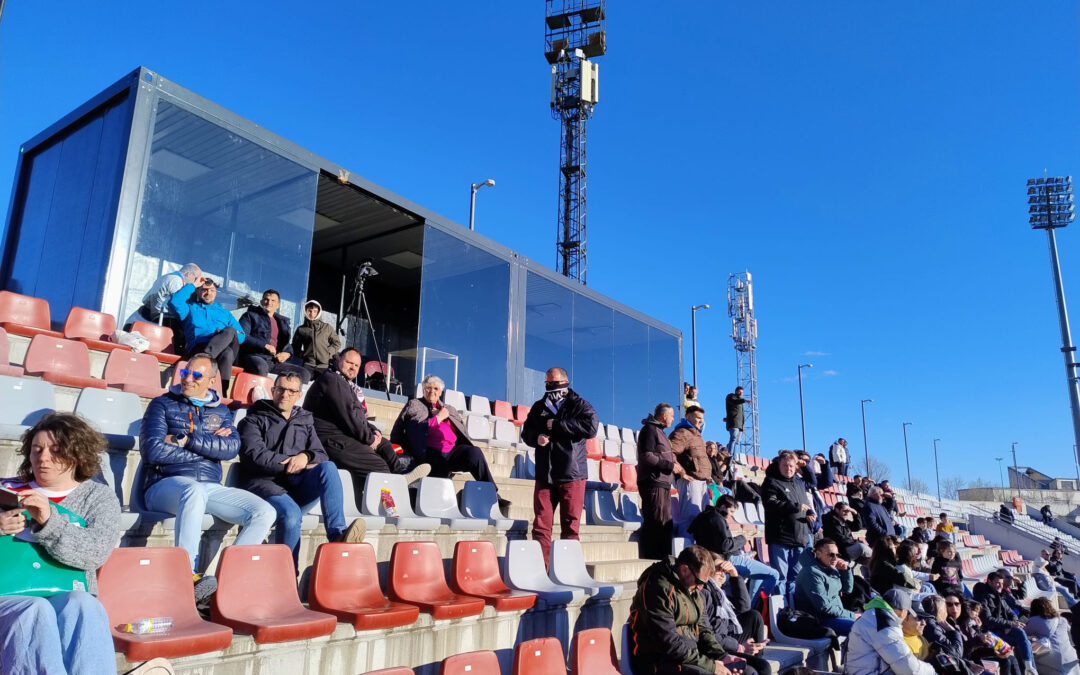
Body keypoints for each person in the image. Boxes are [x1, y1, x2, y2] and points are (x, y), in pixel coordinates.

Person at [140, 353, 276, 598]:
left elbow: (232, 448)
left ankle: (224, 584)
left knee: (265, 512)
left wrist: (185, 440)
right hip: (165, 485)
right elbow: (153, 450)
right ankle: (185, 575)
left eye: (196, 375)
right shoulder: (162, 404)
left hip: (208, 486)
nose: (188, 379)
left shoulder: (222, 412)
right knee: (194, 490)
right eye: (185, 373)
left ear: (212, 380)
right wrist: (208, 450)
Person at [0, 413, 121, 674]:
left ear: (77, 454)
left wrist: (48, 522)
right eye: (36, 449)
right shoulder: (5, 489)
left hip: (63, 594)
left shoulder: (98, 498)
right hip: (8, 598)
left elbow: (94, 554)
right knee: (35, 609)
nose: (43, 458)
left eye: (56, 450)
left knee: (85, 604)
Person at [237, 371, 361, 572]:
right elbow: (255, 456)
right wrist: (290, 463)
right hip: (265, 484)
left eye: (291, 391)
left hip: (295, 484)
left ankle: (337, 534)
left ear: (299, 395)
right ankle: (287, 577)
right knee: (292, 513)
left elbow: (321, 454)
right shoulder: (254, 419)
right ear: (273, 390)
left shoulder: (304, 420)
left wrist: (305, 457)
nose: (285, 395)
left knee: (328, 468)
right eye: (281, 389)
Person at [304, 348, 428, 509]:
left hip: (342, 435)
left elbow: (358, 417)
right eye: (349, 362)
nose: (352, 368)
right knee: (379, 466)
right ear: (338, 359)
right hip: (329, 440)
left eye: (356, 365)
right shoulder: (332, 379)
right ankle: (389, 506)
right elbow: (349, 416)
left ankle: (399, 475)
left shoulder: (343, 383)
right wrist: (369, 439)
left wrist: (373, 432)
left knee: (384, 444)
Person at [520, 367, 599, 567]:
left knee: (570, 526)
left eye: (554, 382)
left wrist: (558, 425)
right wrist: (536, 438)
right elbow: (526, 432)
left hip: (571, 473)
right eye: (547, 383)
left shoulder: (578, 403)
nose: (550, 386)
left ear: (565, 381)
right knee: (540, 525)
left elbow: (591, 427)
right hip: (545, 474)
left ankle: (568, 569)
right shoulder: (539, 406)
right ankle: (540, 568)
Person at [628, 545, 731, 675]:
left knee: (749, 669)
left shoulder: (691, 587)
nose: (701, 587)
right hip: (656, 660)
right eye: (699, 581)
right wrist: (710, 666)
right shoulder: (658, 588)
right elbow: (668, 643)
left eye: (704, 583)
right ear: (684, 570)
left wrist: (721, 656)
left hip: (686, 656)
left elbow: (702, 628)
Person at [389, 374, 494, 484]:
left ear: (440, 392)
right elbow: (413, 429)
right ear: (423, 390)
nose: (431, 391)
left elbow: (462, 431)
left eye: (436, 388)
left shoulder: (449, 409)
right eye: (428, 388)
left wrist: (446, 416)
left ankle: (492, 492)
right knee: (439, 464)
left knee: (474, 452)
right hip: (428, 451)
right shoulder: (414, 404)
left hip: (452, 451)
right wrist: (439, 418)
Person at [689, 494, 780, 604]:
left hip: (715, 558)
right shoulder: (716, 518)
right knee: (773, 574)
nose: (731, 516)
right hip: (728, 559)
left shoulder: (704, 516)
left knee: (758, 576)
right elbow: (725, 545)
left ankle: (751, 606)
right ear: (722, 507)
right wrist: (743, 538)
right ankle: (754, 608)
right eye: (731, 511)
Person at [700, 552, 771, 675]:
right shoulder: (704, 592)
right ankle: (752, 660)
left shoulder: (719, 593)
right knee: (761, 668)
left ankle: (755, 656)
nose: (722, 574)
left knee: (754, 616)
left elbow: (744, 607)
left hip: (727, 637)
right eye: (718, 569)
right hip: (715, 647)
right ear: (707, 570)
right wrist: (740, 647)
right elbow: (710, 634)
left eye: (724, 570)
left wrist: (734, 575)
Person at [170, 278, 246, 390]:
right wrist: (193, 284)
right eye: (204, 290)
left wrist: (221, 336)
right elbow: (175, 302)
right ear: (197, 291)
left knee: (230, 331)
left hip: (223, 345)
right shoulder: (190, 309)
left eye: (212, 290)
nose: (208, 293)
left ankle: (205, 358)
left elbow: (241, 335)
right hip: (199, 347)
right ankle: (222, 392)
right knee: (227, 353)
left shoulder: (225, 313)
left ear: (216, 293)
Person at [761, 450, 815, 605]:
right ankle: (780, 610)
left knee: (796, 578)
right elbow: (770, 504)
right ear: (779, 464)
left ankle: (792, 609)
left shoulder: (798, 482)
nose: (788, 469)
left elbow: (806, 500)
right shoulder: (771, 482)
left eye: (791, 466)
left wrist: (810, 512)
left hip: (800, 537)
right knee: (780, 577)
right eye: (785, 465)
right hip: (780, 538)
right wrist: (794, 506)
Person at [846, 588, 936, 675]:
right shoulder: (885, 624)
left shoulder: (875, 615)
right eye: (908, 612)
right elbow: (908, 668)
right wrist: (932, 671)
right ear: (902, 611)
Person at [973, 571, 1037, 674]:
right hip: (991, 634)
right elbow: (987, 619)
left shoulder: (999, 595)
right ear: (989, 582)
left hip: (1001, 630)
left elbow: (1011, 613)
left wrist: (1011, 623)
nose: (1000, 586)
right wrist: (1009, 624)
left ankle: (1029, 668)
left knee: (1023, 642)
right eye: (997, 583)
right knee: (1018, 639)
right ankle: (1029, 668)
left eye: (1002, 583)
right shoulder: (983, 596)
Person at [636, 403, 678, 560]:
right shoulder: (650, 430)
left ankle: (663, 558)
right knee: (656, 521)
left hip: (663, 482)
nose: (673, 419)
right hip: (653, 482)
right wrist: (670, 466)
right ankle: (653, 559)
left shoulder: (659, 431)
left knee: (665, 522)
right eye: (672, 416)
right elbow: (647, 456)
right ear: (664, 415)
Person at [793, 538, 858, 635]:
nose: (835, 558)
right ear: (818, 554)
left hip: (834, 616)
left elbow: (847, 589)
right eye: (831, 554)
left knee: (869, 624)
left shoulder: (830, 568)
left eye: (837, 555)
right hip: (819, 620)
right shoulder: (811, 573)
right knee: (862, 629)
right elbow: (824, 608)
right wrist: (852, 615)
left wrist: (845, 571)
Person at [238, 288, 304, 381]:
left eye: (273, 300)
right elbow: (242, 336)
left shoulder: (281, 322)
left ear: (278, 305)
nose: (269, 302)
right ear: (261, 301)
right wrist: (264, 345)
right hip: (254, 356)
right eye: (266, 299)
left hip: (274, 361)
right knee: (261, 367)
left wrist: (288, 353)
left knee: (304, 374)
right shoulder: (250, 315)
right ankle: (260, 395)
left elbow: (286, 344)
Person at [670, 406, 710, 535]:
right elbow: (670, 453)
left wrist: (707, 476)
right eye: (697, 418)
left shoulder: (697, 435)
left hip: (701, 482)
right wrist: (682, 473)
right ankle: (685, 550)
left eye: (702, 419)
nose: (700, 421)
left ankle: (696, 551)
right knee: (689, 519)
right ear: (688, 416)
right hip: (690, 482)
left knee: (699, 520)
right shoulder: (683, 432)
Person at [1025, 597, 1078, 675]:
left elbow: (1023, 633)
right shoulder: (1062, 620)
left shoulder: (1034, 621)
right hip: (1069, 657)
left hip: (1051, 661)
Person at [138, 262, 203, 325]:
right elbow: (178, 303)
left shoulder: (167, 276)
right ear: (188, 274)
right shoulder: (176, 280)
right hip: (162, 318)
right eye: (196, 279)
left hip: (153, 314)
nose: (195, 282)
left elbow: (145, 299)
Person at [292, 300, 341, 378]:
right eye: (309, 311)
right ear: (305, 311)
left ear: (319, 312)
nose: (312, 314)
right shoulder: (301, 329)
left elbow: (337, 343)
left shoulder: (327, 327)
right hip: (307, 365)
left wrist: (328, 353)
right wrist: (303, 356)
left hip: (324, 366)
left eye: (315, 311)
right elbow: (295, 347)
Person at [920, 595, 965, 662]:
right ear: (940, 611)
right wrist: (953, 631)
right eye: (945, 610)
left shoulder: (931, 623)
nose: (946, 614)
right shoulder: (932, 627)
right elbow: (956, 654)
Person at [724, 387, 750, 454]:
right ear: (736, 391)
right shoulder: (731, 396)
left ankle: (732, 455)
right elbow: (734, 402)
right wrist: (745, 401)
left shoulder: (740, 401)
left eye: (742, 392)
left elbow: (737, 413)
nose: (741, 393)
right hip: (734, 423)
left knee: (737, 442)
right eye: (739, 392)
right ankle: (730, 456)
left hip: (740, 424)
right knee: (733, 439)